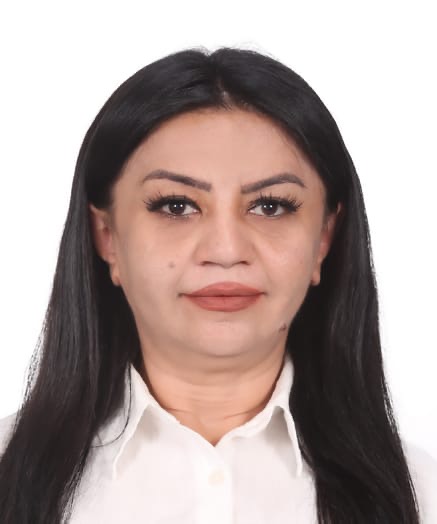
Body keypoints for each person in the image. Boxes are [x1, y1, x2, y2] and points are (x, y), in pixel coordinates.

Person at [0, 46, 435, 524]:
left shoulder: (422, 495)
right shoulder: (7, 472)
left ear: (324, 239)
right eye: (176, 206)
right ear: (107, 237)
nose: (226, 250)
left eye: (270, 206)